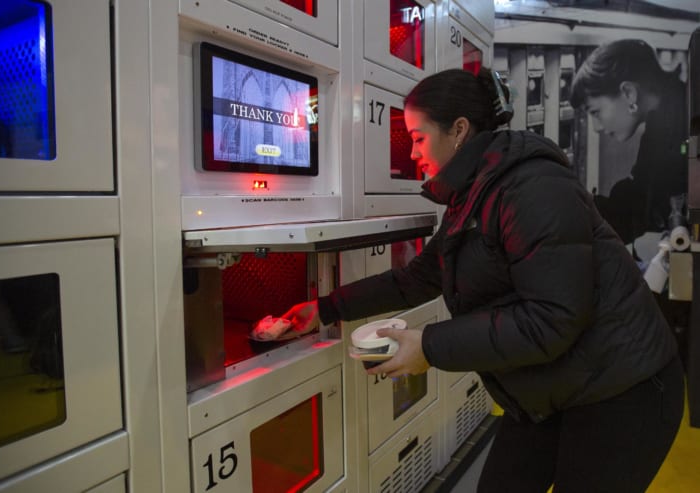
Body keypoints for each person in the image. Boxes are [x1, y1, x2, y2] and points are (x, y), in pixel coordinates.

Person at [281, 66, 684, 492]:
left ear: (458, 130)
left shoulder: (532, 187)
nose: (413, 153)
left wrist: (429, 346)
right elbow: (417, 278)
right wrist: (325, 308)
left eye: (418, 138)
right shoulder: (474, 194)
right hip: (549, 387)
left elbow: (552, 319)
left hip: (623, 391)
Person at [569, 38, 688, 246]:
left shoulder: (681, 124)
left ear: (628, 93)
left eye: (595, 112)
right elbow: (639, 199)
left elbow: (645, 210)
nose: (596, 127)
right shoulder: (668, 116)